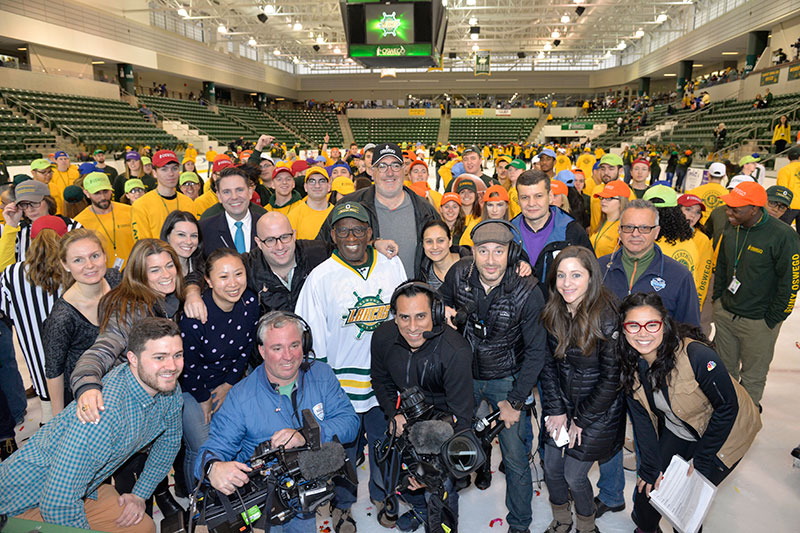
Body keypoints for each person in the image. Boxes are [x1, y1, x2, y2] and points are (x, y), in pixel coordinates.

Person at [0, 317, 183, 532]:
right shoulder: (104, 415)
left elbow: (169, 443)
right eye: (159, 357)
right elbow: (58, 503)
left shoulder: (167, 387)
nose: (171, 366)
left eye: (177, 355)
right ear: (133, 358)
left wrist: (140, 493)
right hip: (20, 505)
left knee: (144, 527)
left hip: (81, 489)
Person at [296, 201, 407, 532]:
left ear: (370, 233)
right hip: (340, 383)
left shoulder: (391, 265)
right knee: (342, 450)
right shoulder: (320, 277)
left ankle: (384, 495)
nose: (351, 236)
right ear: (333, 235)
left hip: (382, 380)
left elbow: (405, 316)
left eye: (358, 229)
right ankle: (342, 505)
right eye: (343, 230)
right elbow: (309, 333)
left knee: (385, 443)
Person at [194, 310, 359, 533]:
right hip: (262, 504)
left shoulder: (322, 374)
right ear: (261, 351)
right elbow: (211, 450)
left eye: (294, 345)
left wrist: (305, 435)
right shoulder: (241, 397)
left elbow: (350, 423)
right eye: (277, 348)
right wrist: (213, 467)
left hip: (305, 495)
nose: (288, 356)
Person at [617, 293, 761, 533]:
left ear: (664, 324)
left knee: (685, 502)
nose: (643, 333)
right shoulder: (630, 364)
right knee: (648, 490)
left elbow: (728, 408)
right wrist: (650, 467)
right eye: (633, 325)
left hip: (726, 431)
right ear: (623, 329)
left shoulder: (697, 356)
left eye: (651, 324)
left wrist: (703, 461)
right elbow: (642, 422)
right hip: (683, 427)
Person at [438, 219, 548, 533]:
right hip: (465, 376)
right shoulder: (459, 273)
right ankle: (446, 516)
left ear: (510, 252)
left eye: (498, 251)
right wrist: (445, 308)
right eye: (482, 250)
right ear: (472, 251)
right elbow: (442, 300)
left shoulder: (528, 290)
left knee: (514, 457)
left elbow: (536, 352)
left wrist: (514, 401)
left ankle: (520, 524)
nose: (490, 259)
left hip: (507, 379)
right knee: (454, 443)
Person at [370, 281, 474, 531]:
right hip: (406, 415)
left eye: (421, 317)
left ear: (436, 315)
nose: (412, 327)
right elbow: (381, 379)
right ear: (395, 317)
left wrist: (434, 470)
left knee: (437, 491)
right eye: (404, 317)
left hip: (446, 424)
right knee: (395, 477)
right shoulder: (383, 337)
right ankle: (419, 512)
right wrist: (393, 413)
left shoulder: (455, 351)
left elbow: (463, 418)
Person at [540, 246, 624, 533]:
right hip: (564, 406)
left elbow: (611, 380)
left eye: (576, 275)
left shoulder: (607, 316)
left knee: (574, 475)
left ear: (591, 277)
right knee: (551, 467)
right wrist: (556, 410)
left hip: (598, 412)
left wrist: (581, 420)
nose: (567, 283)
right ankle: (562, 519)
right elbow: (548, 367)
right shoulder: (553, 311)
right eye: (561, 275)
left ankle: (586, 526)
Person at [712, 181, 800, 408]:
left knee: (752, 379)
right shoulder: (733, 225)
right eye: (729, 206)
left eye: (736, 208)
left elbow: (791, 282)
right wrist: (718, 300)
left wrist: (773, 318)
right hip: (726, 313)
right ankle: (723, 418)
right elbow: (722, 264)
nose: (729, 212)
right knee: (724, 372)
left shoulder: (783, 236)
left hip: (759, 322)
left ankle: (744, 425)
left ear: (755, 209)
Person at [178, 248, 258, 489]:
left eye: (238, 274)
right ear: (209, 281)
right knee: (203, 445)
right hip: (192, 387)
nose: (233, 283)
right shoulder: (195, 315)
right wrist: (204, 397)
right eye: (223, 277)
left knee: (244, 436)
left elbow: (246, 349)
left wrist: (228, 385)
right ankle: (197, 501)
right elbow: (186, 366)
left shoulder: (250, 301)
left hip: (230, 381)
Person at [316, 143, 440, 280]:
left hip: (414, 295)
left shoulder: (424, 209)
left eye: (395, 165)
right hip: (363, 297)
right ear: (372, 172)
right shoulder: (350, 206)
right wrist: (371, 244)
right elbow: (323, 249)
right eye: (382, 166)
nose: (390, 172)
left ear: (404, 170)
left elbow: (443, 254)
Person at [42, 229, 122, 415]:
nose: (90, 265)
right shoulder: (63, 316)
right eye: (78, 260)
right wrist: (58, 418)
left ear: (105, 255)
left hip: (121, 385)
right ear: (65, 264)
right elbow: (54, 370)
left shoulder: (116, 280)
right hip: (84, 398)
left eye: (95, 256)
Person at [0, 217, 70, 424]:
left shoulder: (12, 273)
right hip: (74, 359)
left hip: (38, 360)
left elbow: (5, 311)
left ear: (31, 240)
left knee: (49, 411)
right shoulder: (72, 269)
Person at [511, 170, 592, 286]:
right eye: (525, 197)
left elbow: (591, 275)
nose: (531, 203)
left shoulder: (571, 232)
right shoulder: (509, 234)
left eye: (538, 196)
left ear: (550, 197)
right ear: (518, 200)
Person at [644, 185, 712, 308]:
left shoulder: (645, 242)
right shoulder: (688, 242)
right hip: (675, 309)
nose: (692, 216)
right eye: (688, 209)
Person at [2, 179, 80, 262]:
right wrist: (11, 224)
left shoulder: (72, 226)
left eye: (35, 203)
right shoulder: (18, 230)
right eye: (24, 204)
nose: (30, 209)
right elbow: (3, 265)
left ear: (48, 201)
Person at [73, 172, 134, 269]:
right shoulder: (80, 222)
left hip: (134, 271)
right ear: (86, 193)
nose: (103, 197)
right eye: (97, 193)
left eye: (105, 191)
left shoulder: (130, 211)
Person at [199, 167, 264, 256]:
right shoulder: (205, 230)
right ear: (219, 196)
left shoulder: (266, 225)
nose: (234, 197)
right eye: (227, 192)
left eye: (239, 190)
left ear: (250, 192)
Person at [418, 219, 467, 290]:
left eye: (440, 241)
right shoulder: (423, 274)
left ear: (450, 241)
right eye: (429, 241)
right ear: (423, 244)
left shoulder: (471, 265)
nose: (435, 247)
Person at [287, 166, 334, 239]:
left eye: (322, 181)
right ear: (305, 187)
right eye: (312, 181)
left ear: (329, 186)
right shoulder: (293, 216)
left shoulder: (335, 213)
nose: (317, 186)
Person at [590, 180, 630, 258]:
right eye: (602, 197)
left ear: (621, 201)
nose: (603, 201)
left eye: (609, 198)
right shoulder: (602, 223)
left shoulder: (624, 228)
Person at [160, 210, 204, 276]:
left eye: (193, 236)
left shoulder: (203, 269)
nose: (189, 241)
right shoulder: (158, 273)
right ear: (167, 236)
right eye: (181, 235)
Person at [776, 145, 800, 233]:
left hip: (790, 205)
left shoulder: (784, 170)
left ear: (787, 158)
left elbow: (783, 189)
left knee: (782, 231)